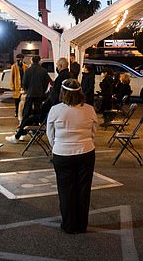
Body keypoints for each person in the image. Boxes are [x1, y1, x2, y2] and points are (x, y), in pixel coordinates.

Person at [47, 78, 97, 234]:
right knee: (83, 189)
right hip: (86, 151)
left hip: (62, 153)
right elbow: (94, 131)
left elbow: (50, 134)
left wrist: (57, 145)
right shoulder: (89, 109)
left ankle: (69, 224)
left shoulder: (55, 110)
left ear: (62, 93)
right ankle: (82, 225)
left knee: (66, 190)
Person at [20, 55, 52, 121]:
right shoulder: (43, 71)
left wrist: (27, 89)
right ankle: (37, 123)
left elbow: (24, 83)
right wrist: (43, 89)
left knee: (27, 110)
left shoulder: (28, 71)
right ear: (39, 61)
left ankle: (25, 123)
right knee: (38, 110)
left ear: (32, 61)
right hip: (39, 93)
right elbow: (48, 81)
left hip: (30, 93)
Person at [10, 54, 28, 118]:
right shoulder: (14, 66)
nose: (20, 60)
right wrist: (12, 86)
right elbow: (12, 77)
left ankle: (23, 112)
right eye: (19, 59)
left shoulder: (25, 66)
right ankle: (16, 112)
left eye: (21, 59)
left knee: (24, 100)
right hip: (17, 86)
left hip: (24, 86)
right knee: (17, 101)